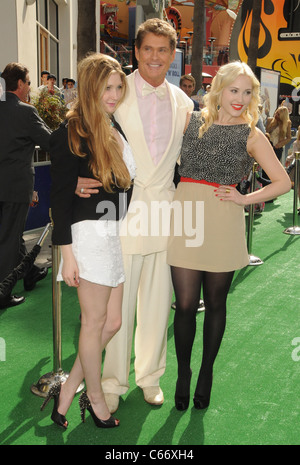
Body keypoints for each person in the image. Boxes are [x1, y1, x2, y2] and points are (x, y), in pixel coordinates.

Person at [76, 18, 193, 413]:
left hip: (166, 212)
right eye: (148, 49)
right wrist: (75, 179)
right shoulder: (116, 92)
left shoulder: (185, 103)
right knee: (118, 308)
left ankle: (150, 376)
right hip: (122, 213)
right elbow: (83, 133)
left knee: (158, 302)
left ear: (173, 54)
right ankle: (112, 380)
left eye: (163, 50)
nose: (155, 57)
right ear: (136, 52)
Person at [167, 61, 291, 411]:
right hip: (187, 217)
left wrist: (243, 198)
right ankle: (183, 373)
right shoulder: (191, 122)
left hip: (223, 219)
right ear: (219, 89)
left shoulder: (251, 134)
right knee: (186, 305)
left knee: (216, 303)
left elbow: (283, 181)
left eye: (247, 92)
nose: (239, 98)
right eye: (234, 90)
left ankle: (206, 372)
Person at [43, 53, 135, 430]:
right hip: (87, 236)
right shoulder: (72, 131)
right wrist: (67, 255)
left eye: (117, 87)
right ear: (89, 87)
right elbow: (59, 199)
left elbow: (124, 180)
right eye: (106, 87)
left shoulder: (110, 125)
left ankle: (66, 395)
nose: (113, 94)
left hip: (110, 232)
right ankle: (94, 401)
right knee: (95, 321)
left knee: (110, 322)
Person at [0, 62, 51, 310]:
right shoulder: (25, 112)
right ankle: (2, 293)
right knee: (9, 240)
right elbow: (50, 141)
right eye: (29, 82)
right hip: (14, 186)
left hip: (8, 185)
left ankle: (29, 273)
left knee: (12, 236)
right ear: (19, 84)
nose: (29, 87)